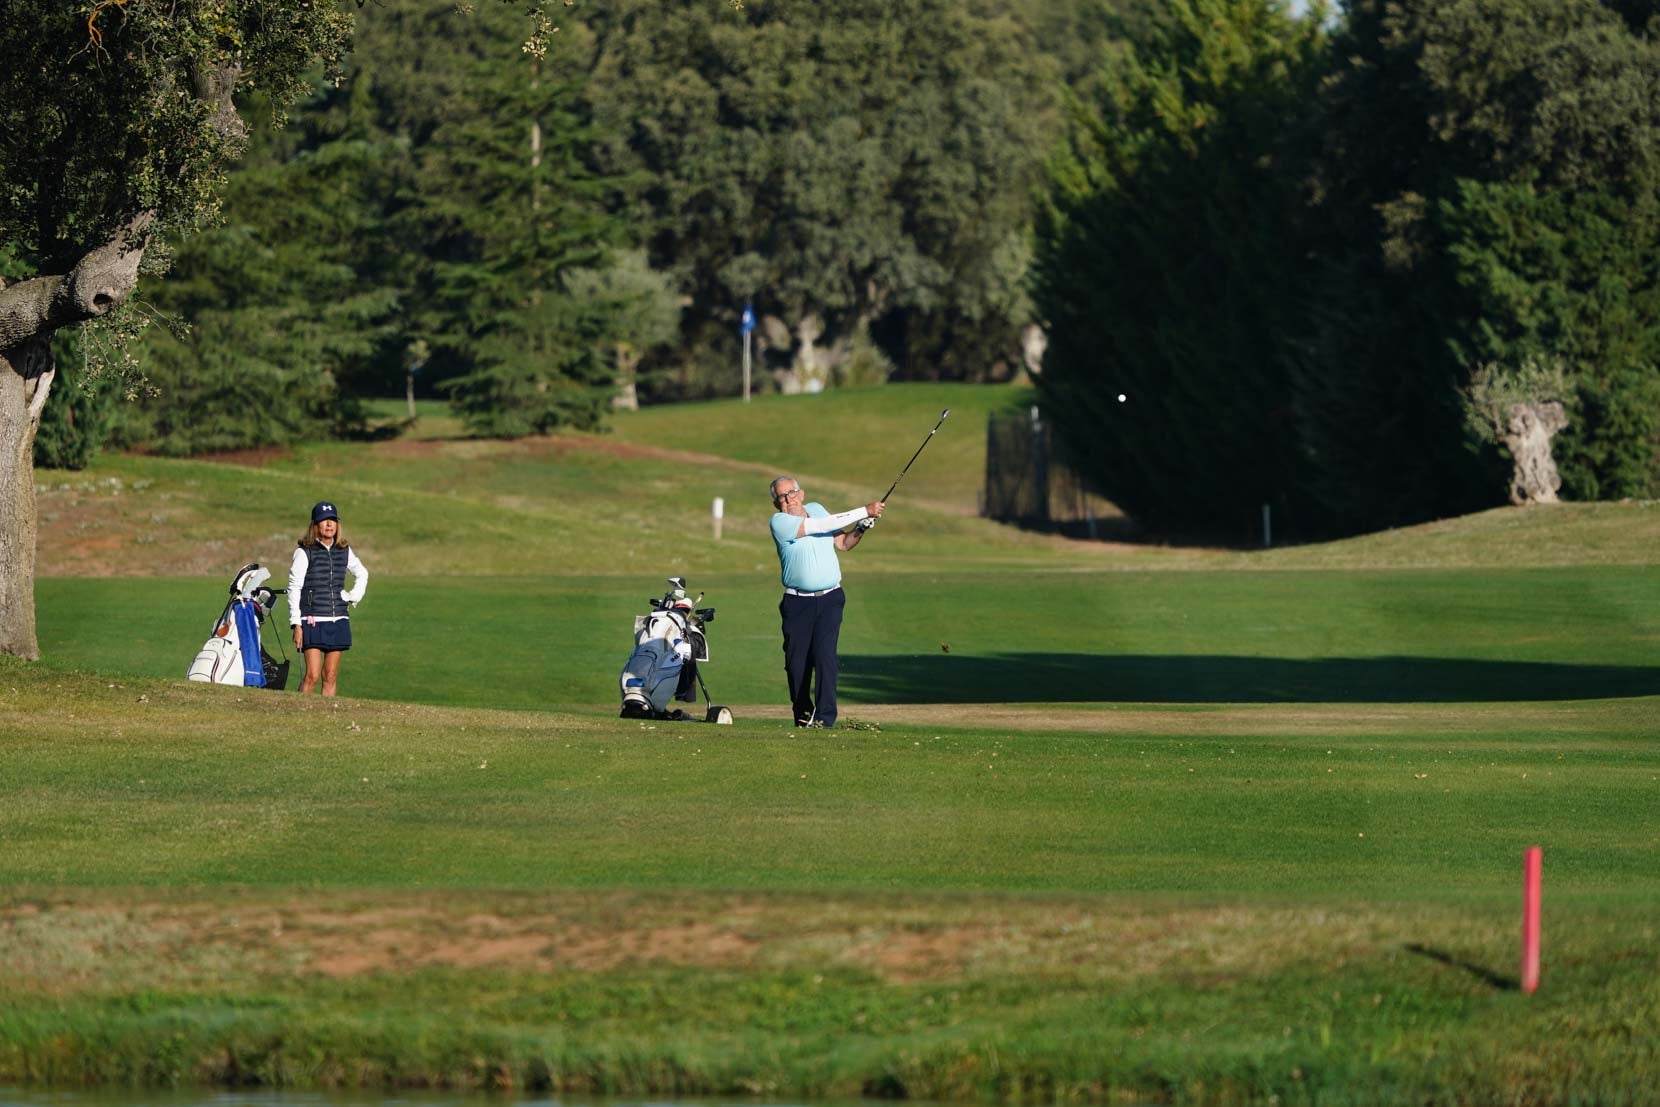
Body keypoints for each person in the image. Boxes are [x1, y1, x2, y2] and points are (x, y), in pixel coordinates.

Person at [768, 476, 884, 728]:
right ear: (776, 503)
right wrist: (863, 510)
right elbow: (821, 526)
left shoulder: (817, 509)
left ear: (802, 493)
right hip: (797, 603)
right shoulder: (780, 522)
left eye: (792, 492)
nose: (788, 499)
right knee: (796, 664)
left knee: (825, 657)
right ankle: (803, 714)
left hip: (830, 598)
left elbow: (843, 543)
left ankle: (825, 719)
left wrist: (862, 526)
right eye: (782, 496)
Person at [288, 500, 369, 696]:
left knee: (330, 675)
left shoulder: (344, 550)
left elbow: (362, 573)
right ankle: (298, 714)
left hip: (338, 620)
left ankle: (326, 718)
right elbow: (294, 588)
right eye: (324, 521)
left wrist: (352, 597)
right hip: (313, 620)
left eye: (332, 520)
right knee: (312, 676)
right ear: (315, 525)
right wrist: (296, 624)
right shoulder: (304, 552)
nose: (329, 524)